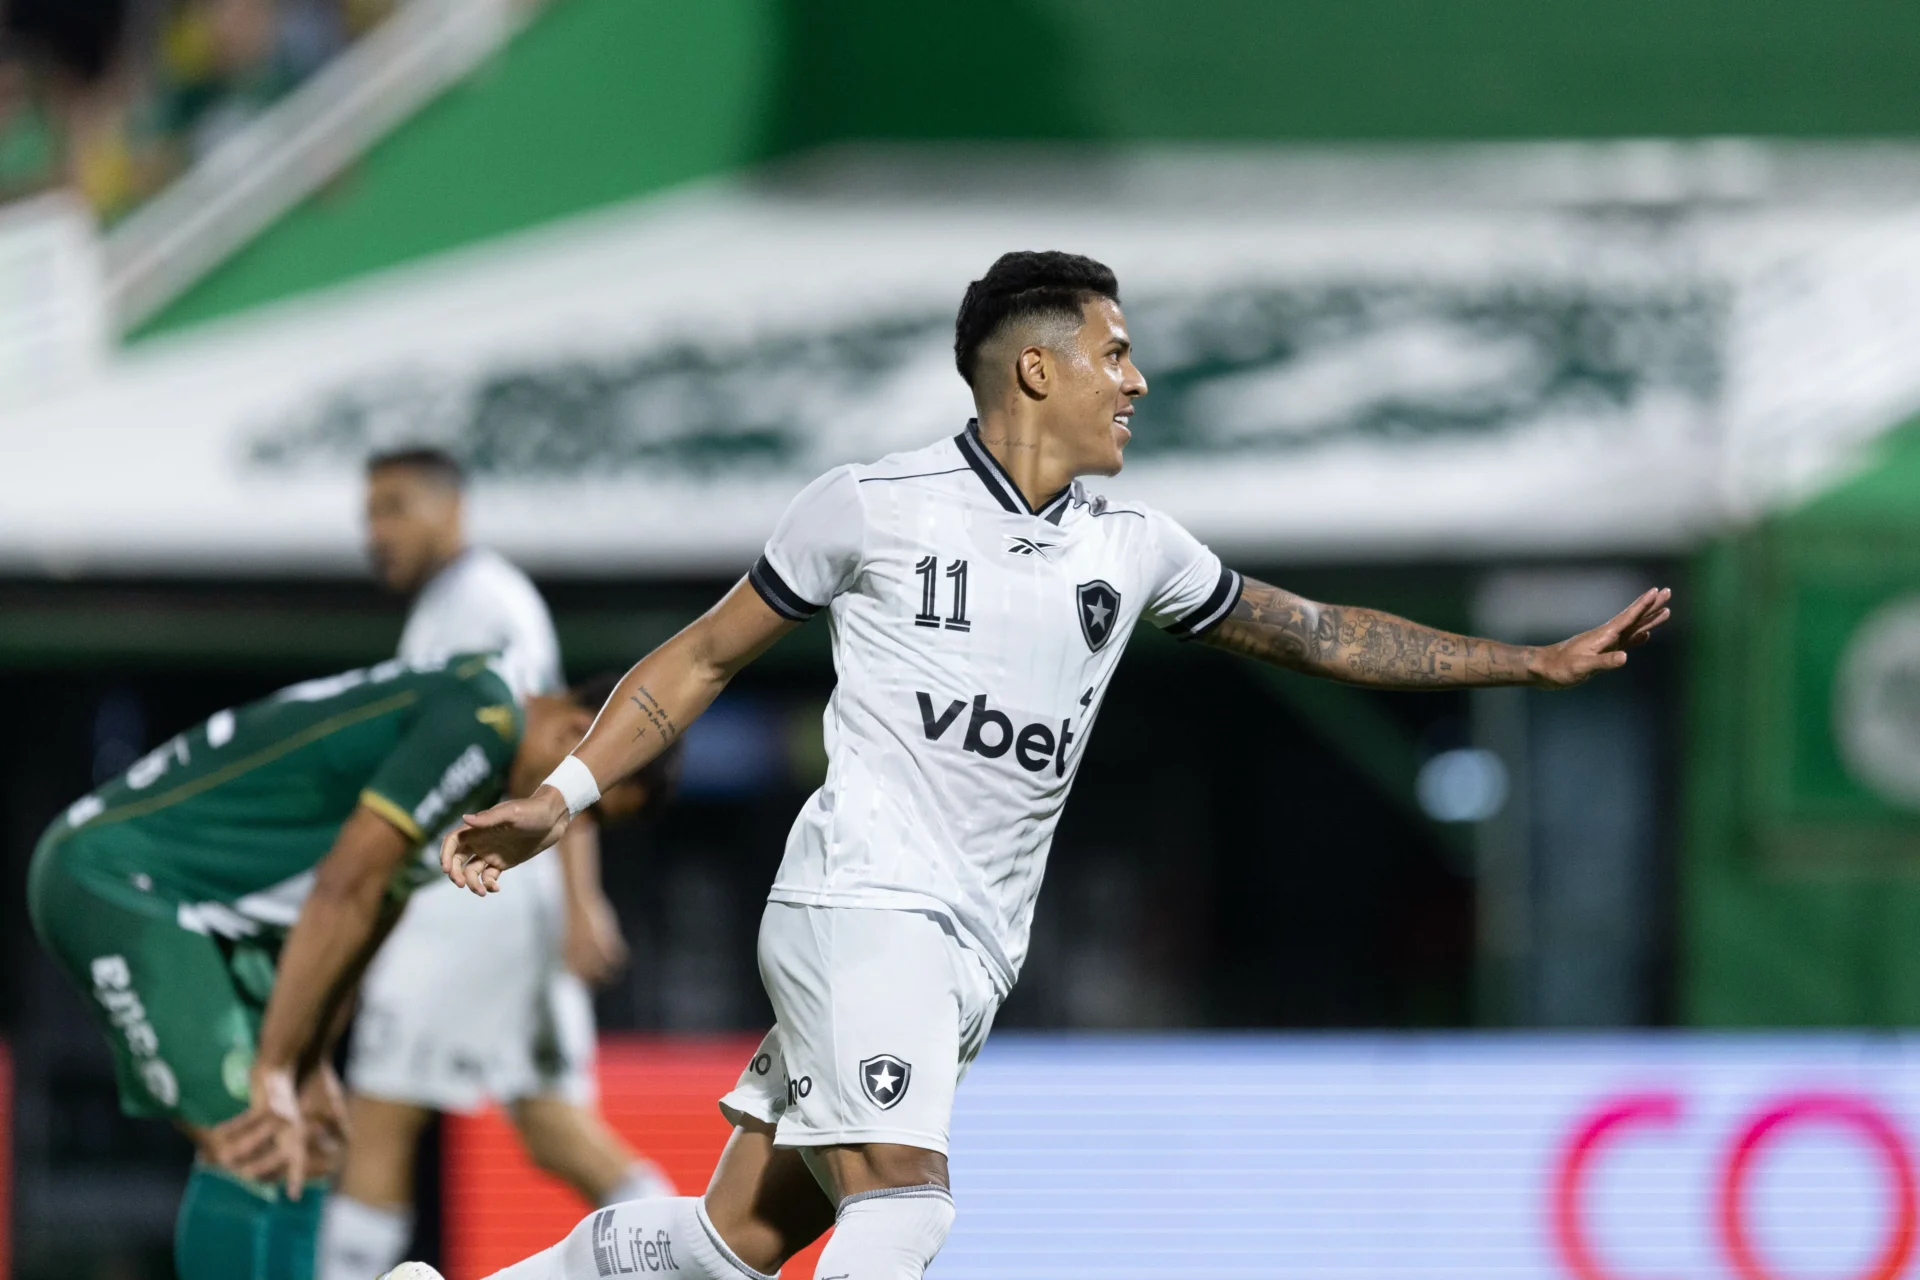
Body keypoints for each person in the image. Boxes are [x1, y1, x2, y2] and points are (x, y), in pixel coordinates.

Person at [409, 250, 1675, 1280]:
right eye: (1115, 352)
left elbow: (1320, 633)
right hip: (865, 901)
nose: (1137, 378)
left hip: (969, 947)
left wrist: (1530, 662)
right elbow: (697, 659)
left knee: (731, 1239)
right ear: (1036, 366)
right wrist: (562, 797)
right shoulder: (870, 505)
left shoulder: (1136, 546)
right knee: (906, 1205)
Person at [27, 653, 671, 1280]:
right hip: (120, 880)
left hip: (216, 916)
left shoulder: (487, 756)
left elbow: (373, 906)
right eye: (586, 807)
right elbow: (344, 888)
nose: (568, 825)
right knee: (251, 1134)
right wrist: (276, 1067)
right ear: (572, 732)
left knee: (307, 1140)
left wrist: (311, 1064)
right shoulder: (481, 719)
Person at [320, 450, 675, 1280]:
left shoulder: (485, 605)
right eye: (369, 513)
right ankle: (686, 1258)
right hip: (503, 896)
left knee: (379, 1115)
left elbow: (557, 748)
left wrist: (580, 900)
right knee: (552, 1125)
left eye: (396, 508)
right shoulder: (454, 604)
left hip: (473, 896)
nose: (377, 532)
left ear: (452, 510)